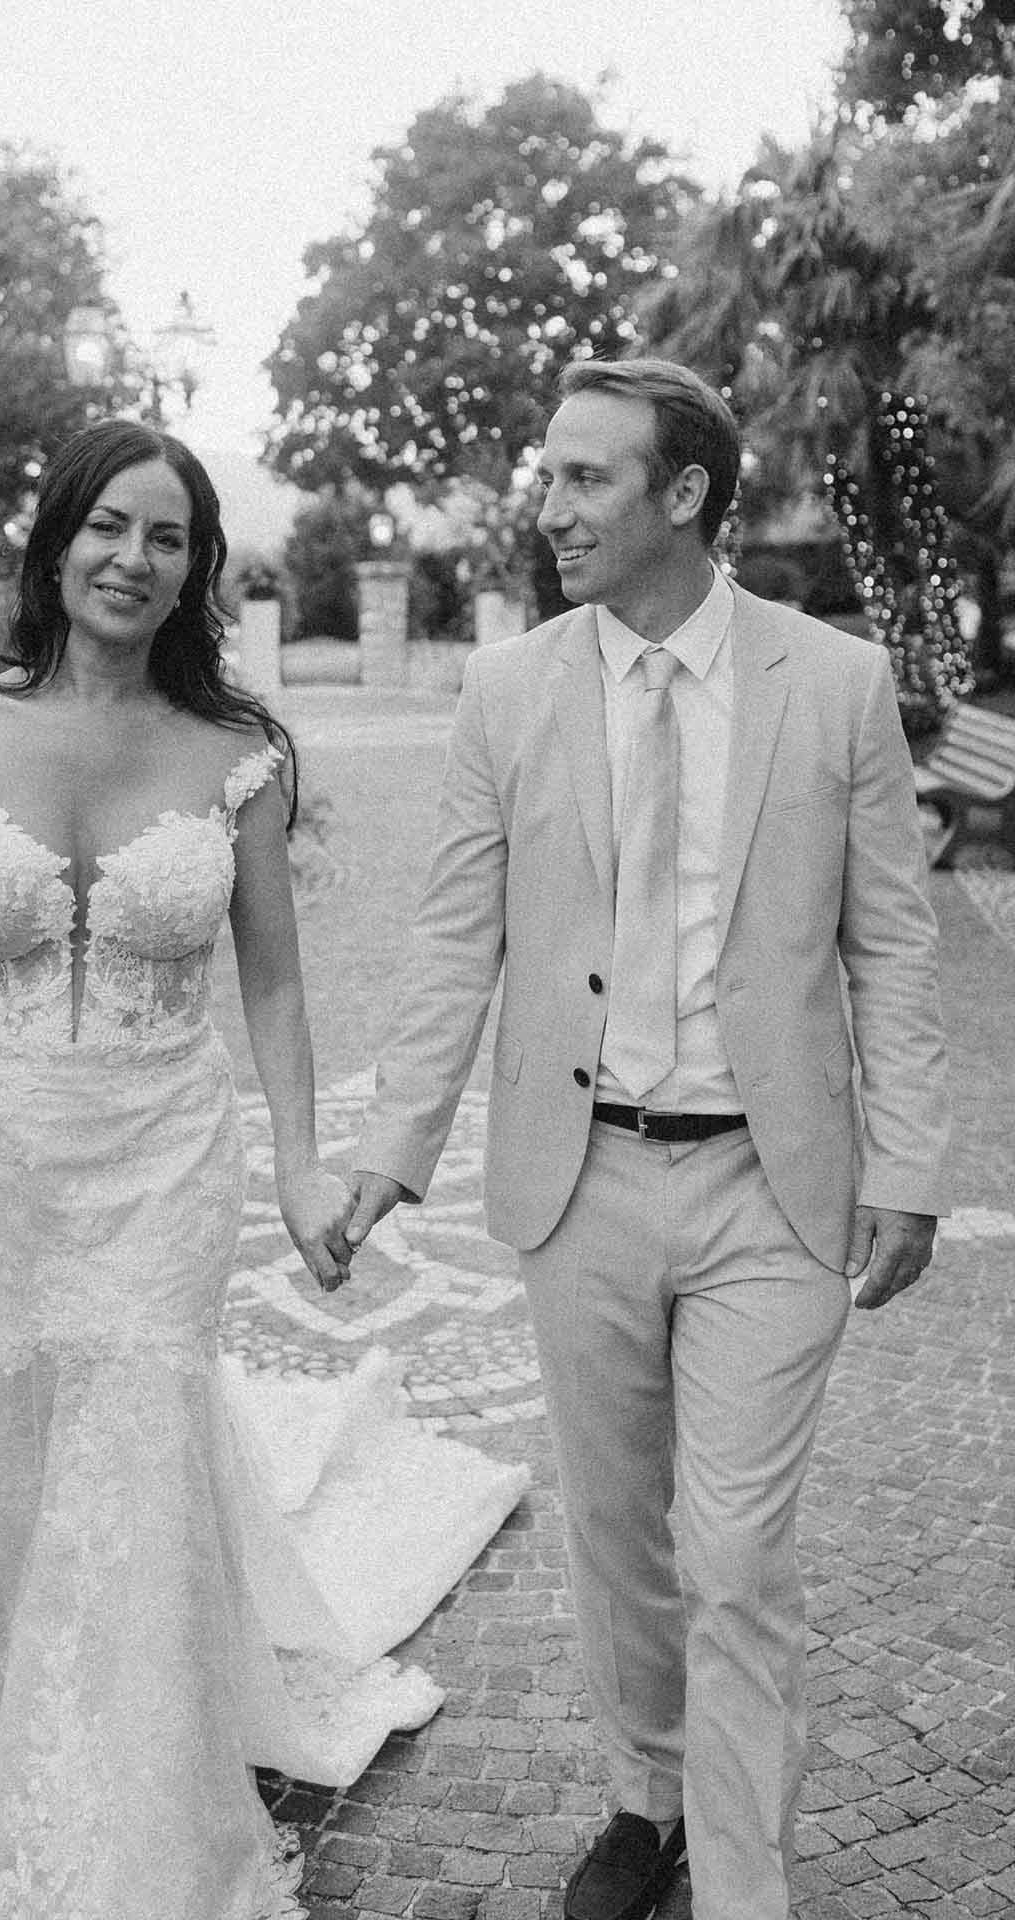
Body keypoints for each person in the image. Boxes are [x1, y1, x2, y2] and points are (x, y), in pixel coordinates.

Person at [0, 419, 528, 1920]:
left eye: (171, 537)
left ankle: (115, 1821)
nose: (136, 560)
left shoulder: (235, 755)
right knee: (18, 1419)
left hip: (161, 1162)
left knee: (128, 1430)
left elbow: (271, 985)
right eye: (111, 528)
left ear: (196, 569)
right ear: (57, 542)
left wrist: (305, 1170)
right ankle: (11, 1649)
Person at [346, 359, 949, 1920]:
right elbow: (450, 938)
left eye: (582, 480)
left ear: (683, 495)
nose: (547, 508)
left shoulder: (835, 683)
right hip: (580, 1174)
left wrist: (912, 1164)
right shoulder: (511, 688)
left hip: (775, 1178)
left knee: (736, 1550)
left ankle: (744, 1886)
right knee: (623, 1535)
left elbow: (893, 944)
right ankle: (646, 1798)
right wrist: (392, 1149)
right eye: (547, 476)